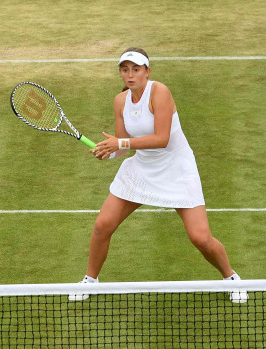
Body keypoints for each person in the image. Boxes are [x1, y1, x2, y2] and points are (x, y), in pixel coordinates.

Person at [71, 47, 245, 302]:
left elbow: (162, 139)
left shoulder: (159, 92)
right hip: (143, 167)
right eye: (125, 69)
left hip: (177, 166)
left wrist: (120, 145)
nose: (130, 75)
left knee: (200, 238)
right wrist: (108, 151)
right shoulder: (120, 101)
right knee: (102, 226)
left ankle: (232, 278)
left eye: (136, 69)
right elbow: (123, 142)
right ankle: (90, 281)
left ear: (147, 72)